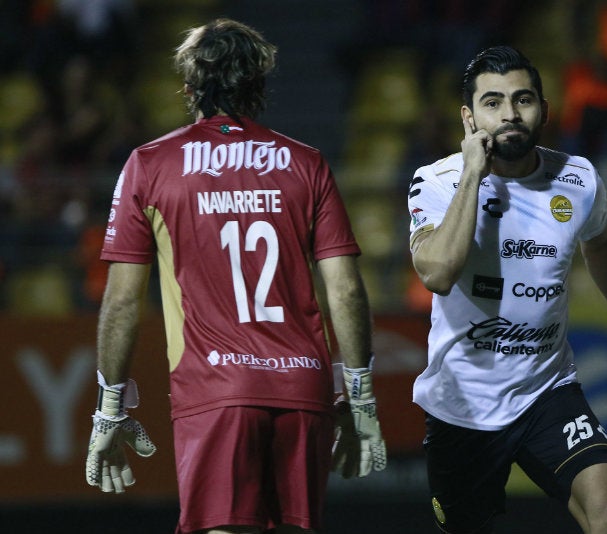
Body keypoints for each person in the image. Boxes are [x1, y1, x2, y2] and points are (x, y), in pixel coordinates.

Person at [84, 18, 386, 534]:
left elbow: (121, 303)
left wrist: (109, 408)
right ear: (259, 86)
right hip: (302, 387)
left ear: (188, 87)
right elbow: (345, 289)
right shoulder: (306, 163)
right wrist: (360, 400)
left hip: (216, 387)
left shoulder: (151, 164)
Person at [407, 45, 607, 534]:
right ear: (469, 116)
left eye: (522, 100)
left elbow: (602, 245)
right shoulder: (436, 182)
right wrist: (472, 176)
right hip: (464, 403)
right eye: (493, 102)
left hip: (547, 389)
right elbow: (436, 273)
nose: (509, 114)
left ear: (544, 108)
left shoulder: (578, 179)